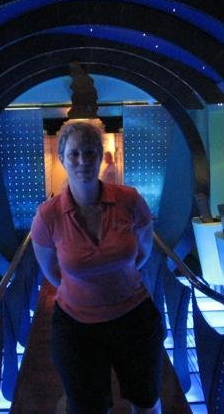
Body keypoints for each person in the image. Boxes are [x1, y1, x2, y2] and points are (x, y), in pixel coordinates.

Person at [31, 122, 163, 414]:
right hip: (76, 326)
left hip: (134, 318)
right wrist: (89, 286)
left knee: (146, 401)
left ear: (101, 156)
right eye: (74, 153)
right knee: (88, 408)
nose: (83, 161)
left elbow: (144, 250)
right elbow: (51, 272)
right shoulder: (47, 216)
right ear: (62, 158)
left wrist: (114, 275)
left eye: (90, 152)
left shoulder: (130, 200)